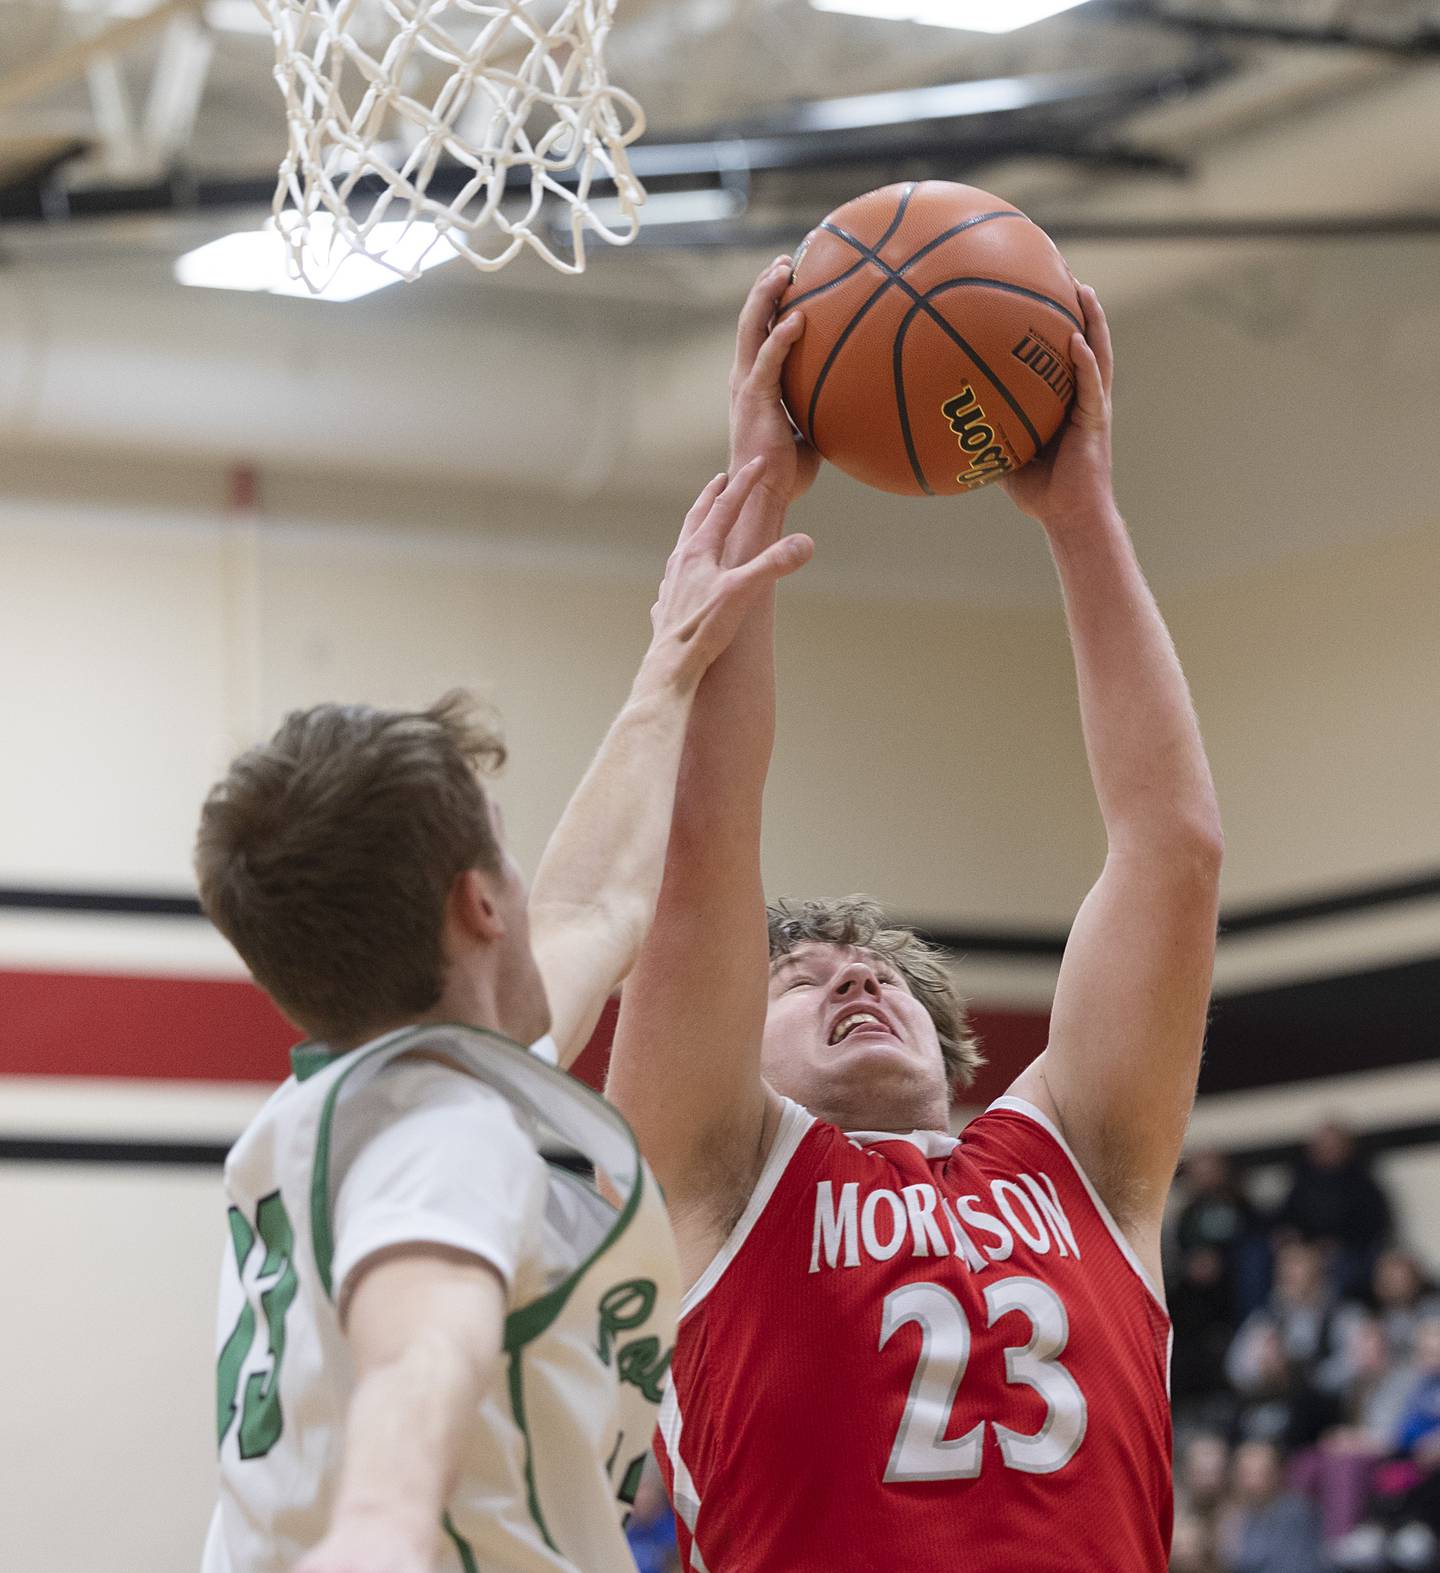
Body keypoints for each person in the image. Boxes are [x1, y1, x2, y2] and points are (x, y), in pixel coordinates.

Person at [607, 261, 1223, 1569]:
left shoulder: (1087, 1161)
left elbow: (1173, 852)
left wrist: (1081, 517)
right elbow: (706, 849)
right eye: (801, 978)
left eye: (879, 974)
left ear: (955, 1059)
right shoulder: (720, 1178)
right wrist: (758, 487)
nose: (851, 980)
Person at [196, 451, 813, 1573]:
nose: (535, 887)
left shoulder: (381, 1097)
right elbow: (420, 1354)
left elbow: (597, 905)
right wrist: (378, 1533)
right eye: (506, 856)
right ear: (479, 904)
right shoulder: (448, 1142)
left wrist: (670, 669)